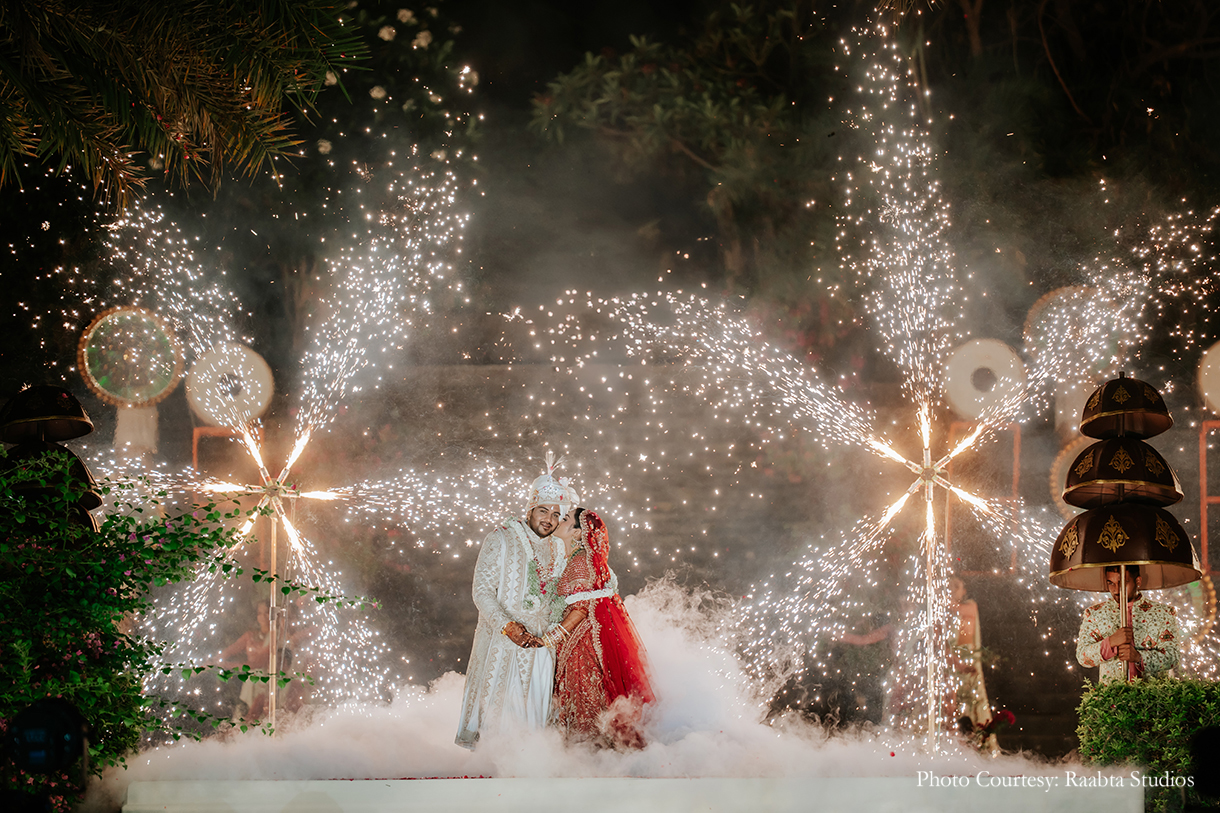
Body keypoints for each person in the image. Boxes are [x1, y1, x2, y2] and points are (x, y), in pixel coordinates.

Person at [455, 453, 578, 748]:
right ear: (530, 507)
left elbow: (566, 593)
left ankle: (528, 777)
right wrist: (507, 626)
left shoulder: (560, 549)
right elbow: (481, 592)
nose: (549, 520)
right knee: (499, 724)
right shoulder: (501, 538)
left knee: (535, 728)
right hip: (503, 643)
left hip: (542, 649)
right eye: (543, 511)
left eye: (556, 515)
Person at [547, 507, 655, 748]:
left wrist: (552, 636)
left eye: (564, 519)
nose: (556, 521)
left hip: (581, 637)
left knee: (585, 690)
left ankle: (589, 749)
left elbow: (582, 605)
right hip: (580, 634)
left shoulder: (579, 562)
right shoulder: (575, 558)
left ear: (577, 534)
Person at [1077, 565, 1180, 683]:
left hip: (1154, 697)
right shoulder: (1095, 614)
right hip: (1112, 698)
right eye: (1111, 583)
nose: (1116, 590)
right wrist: (1110, 643)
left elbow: (1173, 656)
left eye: (1122, 583)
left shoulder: (1163, 613)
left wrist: (1139, 657)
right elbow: (1082, 656)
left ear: (1138, 581)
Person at [947, 576, 994, 748]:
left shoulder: (970, 606)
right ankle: (955, 742)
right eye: (949, 586)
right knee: (952, 703)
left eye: (956, 586)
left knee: (972, 701)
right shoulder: (945, 614)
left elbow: (957, 609)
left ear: (964, 591)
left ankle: (979, 743)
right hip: (953, 661)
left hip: (969, 661)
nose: (952, 589)